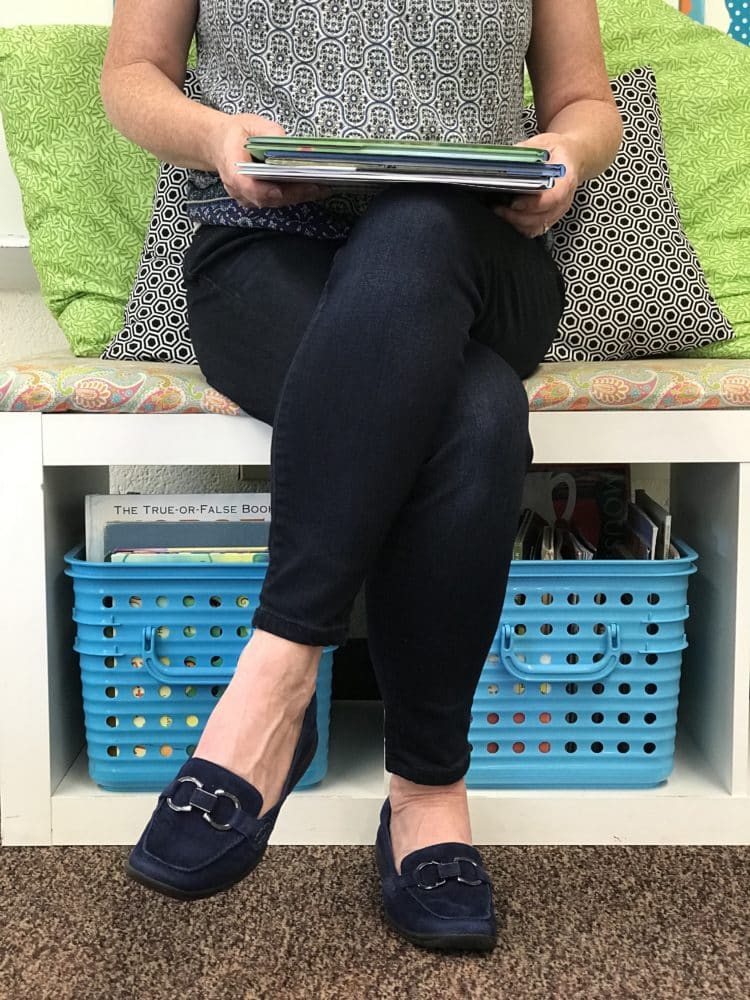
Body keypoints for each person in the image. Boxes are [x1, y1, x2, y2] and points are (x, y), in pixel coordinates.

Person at [101, 0, 622, 951]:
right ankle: (429, 790)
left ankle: (276, 678)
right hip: (265, 255)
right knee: (479, 413)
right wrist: (218, 135)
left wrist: (568, 156)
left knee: (418, 222)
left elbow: (586, 99)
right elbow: (131, 79)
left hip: (477, 257)